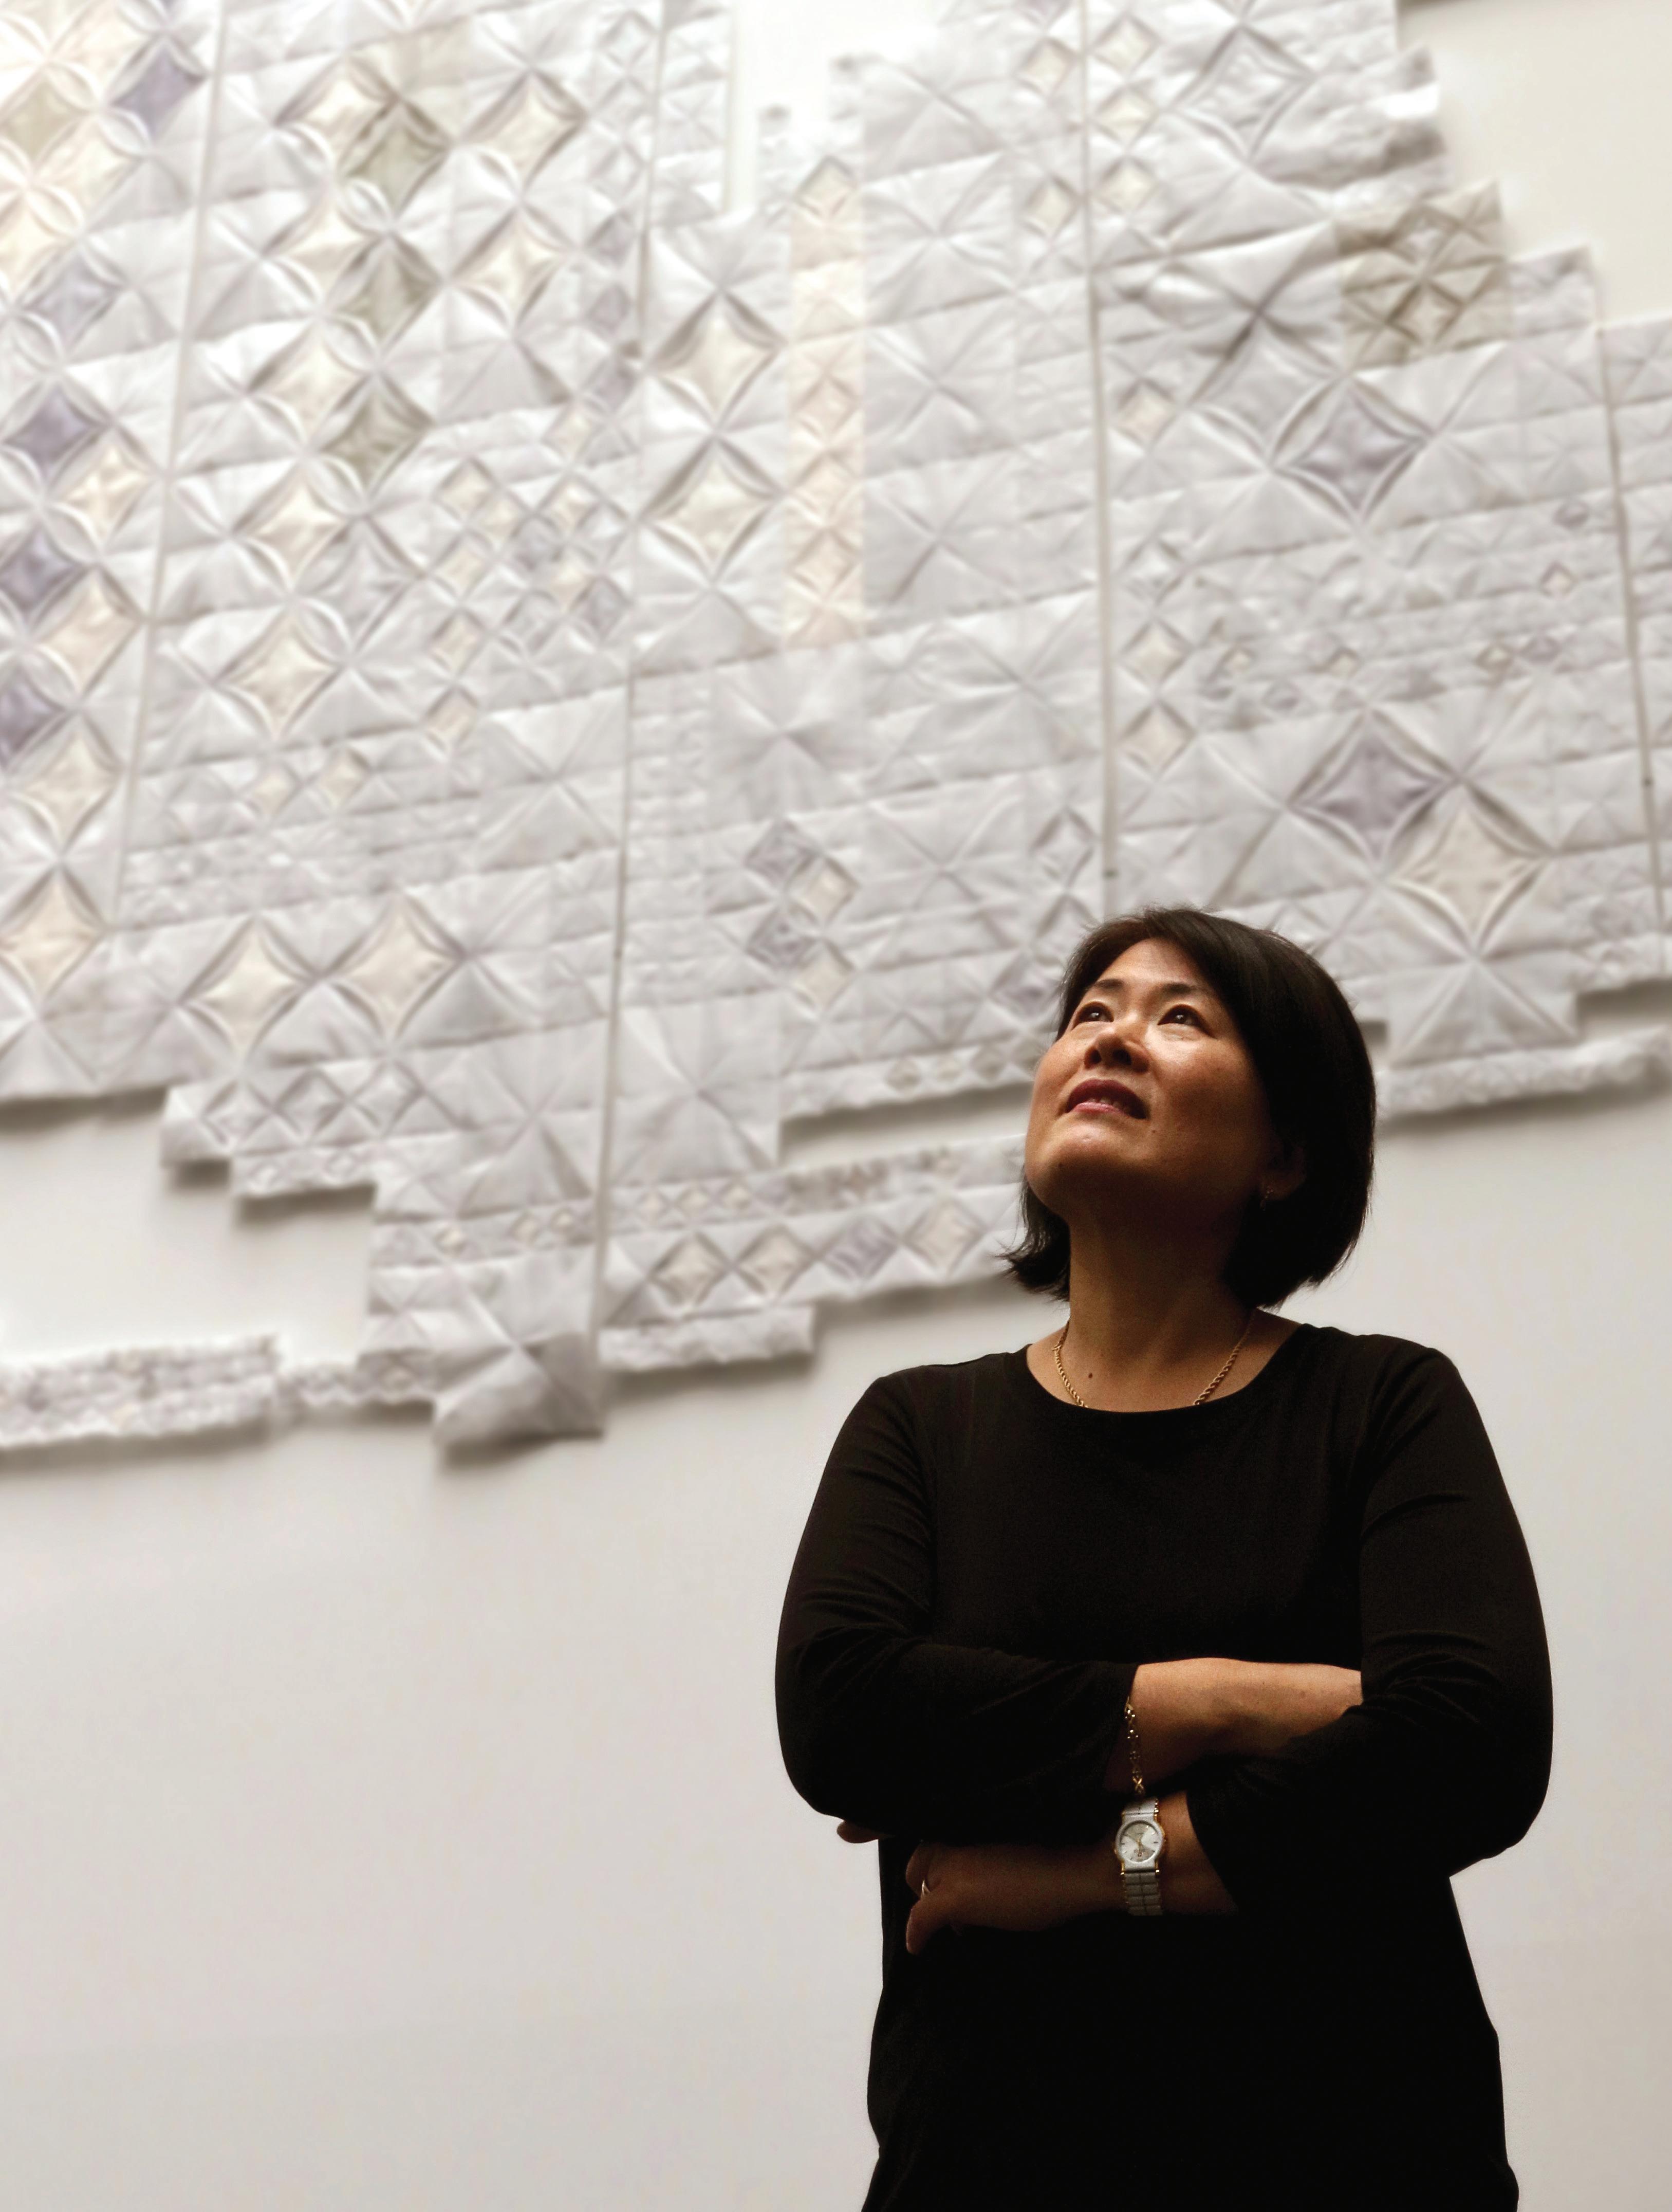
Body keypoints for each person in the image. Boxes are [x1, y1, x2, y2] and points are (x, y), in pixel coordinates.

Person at [776, 906, 1552, 2211]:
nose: (1112, 1038)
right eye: (1090, 1013)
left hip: (1355, 2160)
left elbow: (1471, 1743)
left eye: (1179, 1018)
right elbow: (842, 1714)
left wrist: (1080, 1870)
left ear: (1284, 1155)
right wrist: (1242, 1701)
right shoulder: (919, 1426)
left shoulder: (1381, 1404)